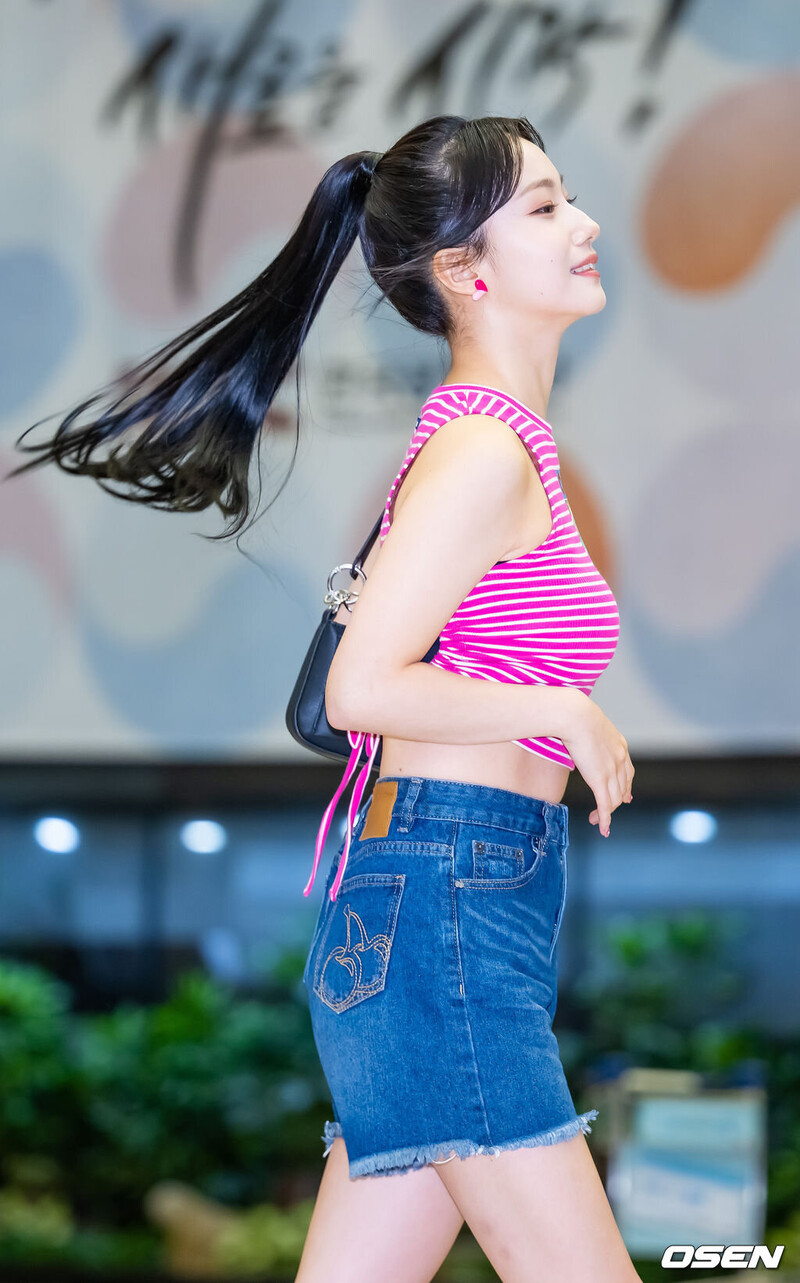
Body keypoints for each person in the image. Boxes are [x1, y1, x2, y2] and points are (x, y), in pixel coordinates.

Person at [9, 114, 638, 1283]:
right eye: (547, 207)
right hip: (446, 900)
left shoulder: (497, 440)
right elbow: (363, 687)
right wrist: (554, 709)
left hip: (444, 900)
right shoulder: (482, 450)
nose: (584, 224)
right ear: (464, 270)